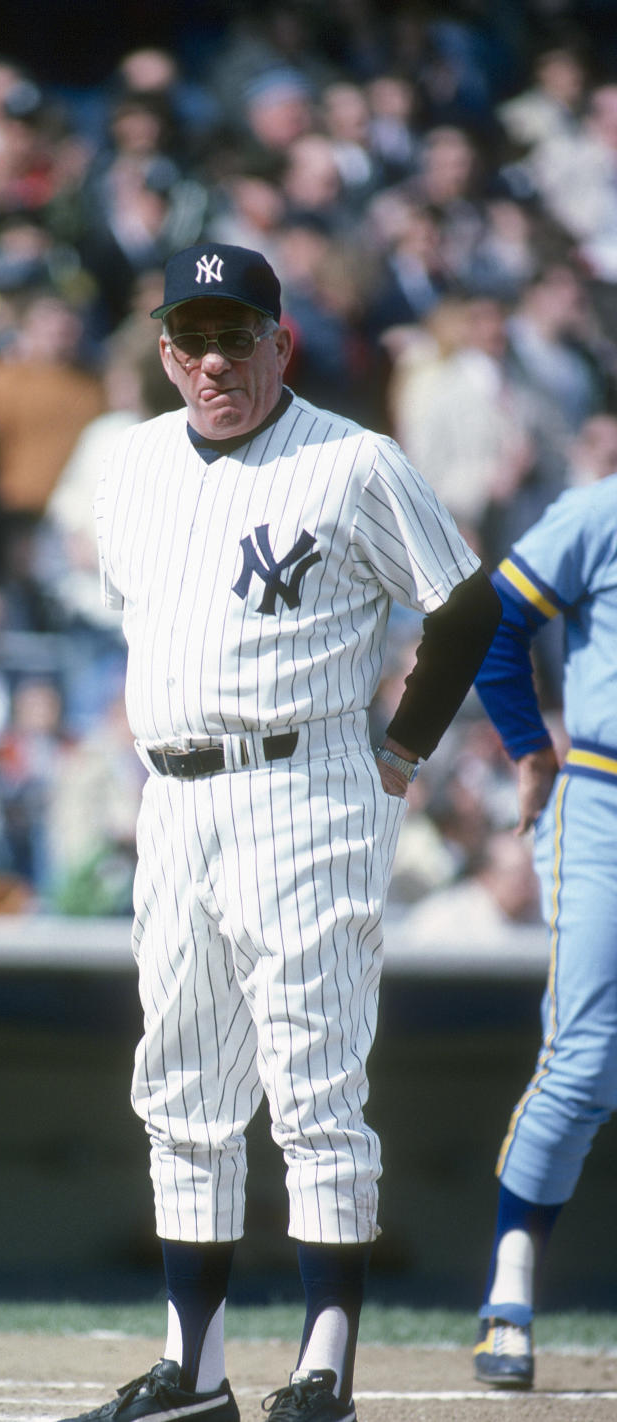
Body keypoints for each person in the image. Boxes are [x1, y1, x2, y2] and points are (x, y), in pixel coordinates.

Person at [67, 243, 501, 1422]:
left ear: (280, 342)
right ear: (164, 352)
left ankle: (324, 1375)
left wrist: (402, 749)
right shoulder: (137, 462)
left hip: (301, 788)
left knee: (313, 1089)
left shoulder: (353, 462)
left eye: (237, 335)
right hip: (175, 800)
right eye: (192, 338)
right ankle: (193, 1374)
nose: (214, 359)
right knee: (182, 1087)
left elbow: (466, 602)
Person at [470, 467, 617, 1390]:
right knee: (588, 1058)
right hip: (605, 796)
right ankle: (509, 1284)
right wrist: (529, 747)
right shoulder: (604, 507)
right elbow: (494, 619)